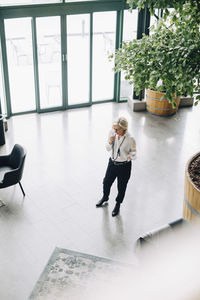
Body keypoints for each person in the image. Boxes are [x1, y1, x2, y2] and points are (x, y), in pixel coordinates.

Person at [96, 117, 136, 217]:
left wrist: (125, 158)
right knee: (106, 182)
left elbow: (133, 154)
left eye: (117, 129)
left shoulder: (130, 138)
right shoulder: (112, 133)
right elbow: (107, 148)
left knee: (121, 187)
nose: (114, 131)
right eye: (114, 128)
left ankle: (118, 204)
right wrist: (110, 142)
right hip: (112, 163)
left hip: (124, 166)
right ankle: (105, 197)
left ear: (124, 129)